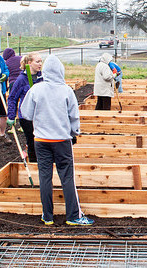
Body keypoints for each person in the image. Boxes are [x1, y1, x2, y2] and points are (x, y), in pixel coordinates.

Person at [21, 55, 94, 226]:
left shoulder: (36, 89)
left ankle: (47, 216)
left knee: (45, 177)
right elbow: (74, 116)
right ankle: (73, 216)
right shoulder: (66, 90)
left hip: (41, 140)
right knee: (67, 177)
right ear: (61, 71)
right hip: (61, 140)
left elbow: (26, 113)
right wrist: (74, 132)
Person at [7, 52, 43, 162]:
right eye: (37, 62)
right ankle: (33, 163)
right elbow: (12, 98)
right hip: (27, 117)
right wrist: (11, 116)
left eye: (41, 61)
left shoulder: (42, 77)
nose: (40, 64)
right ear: (29, 63)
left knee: (42, 142)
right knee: (32, 142)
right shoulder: (21, 80)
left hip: (41, 115)